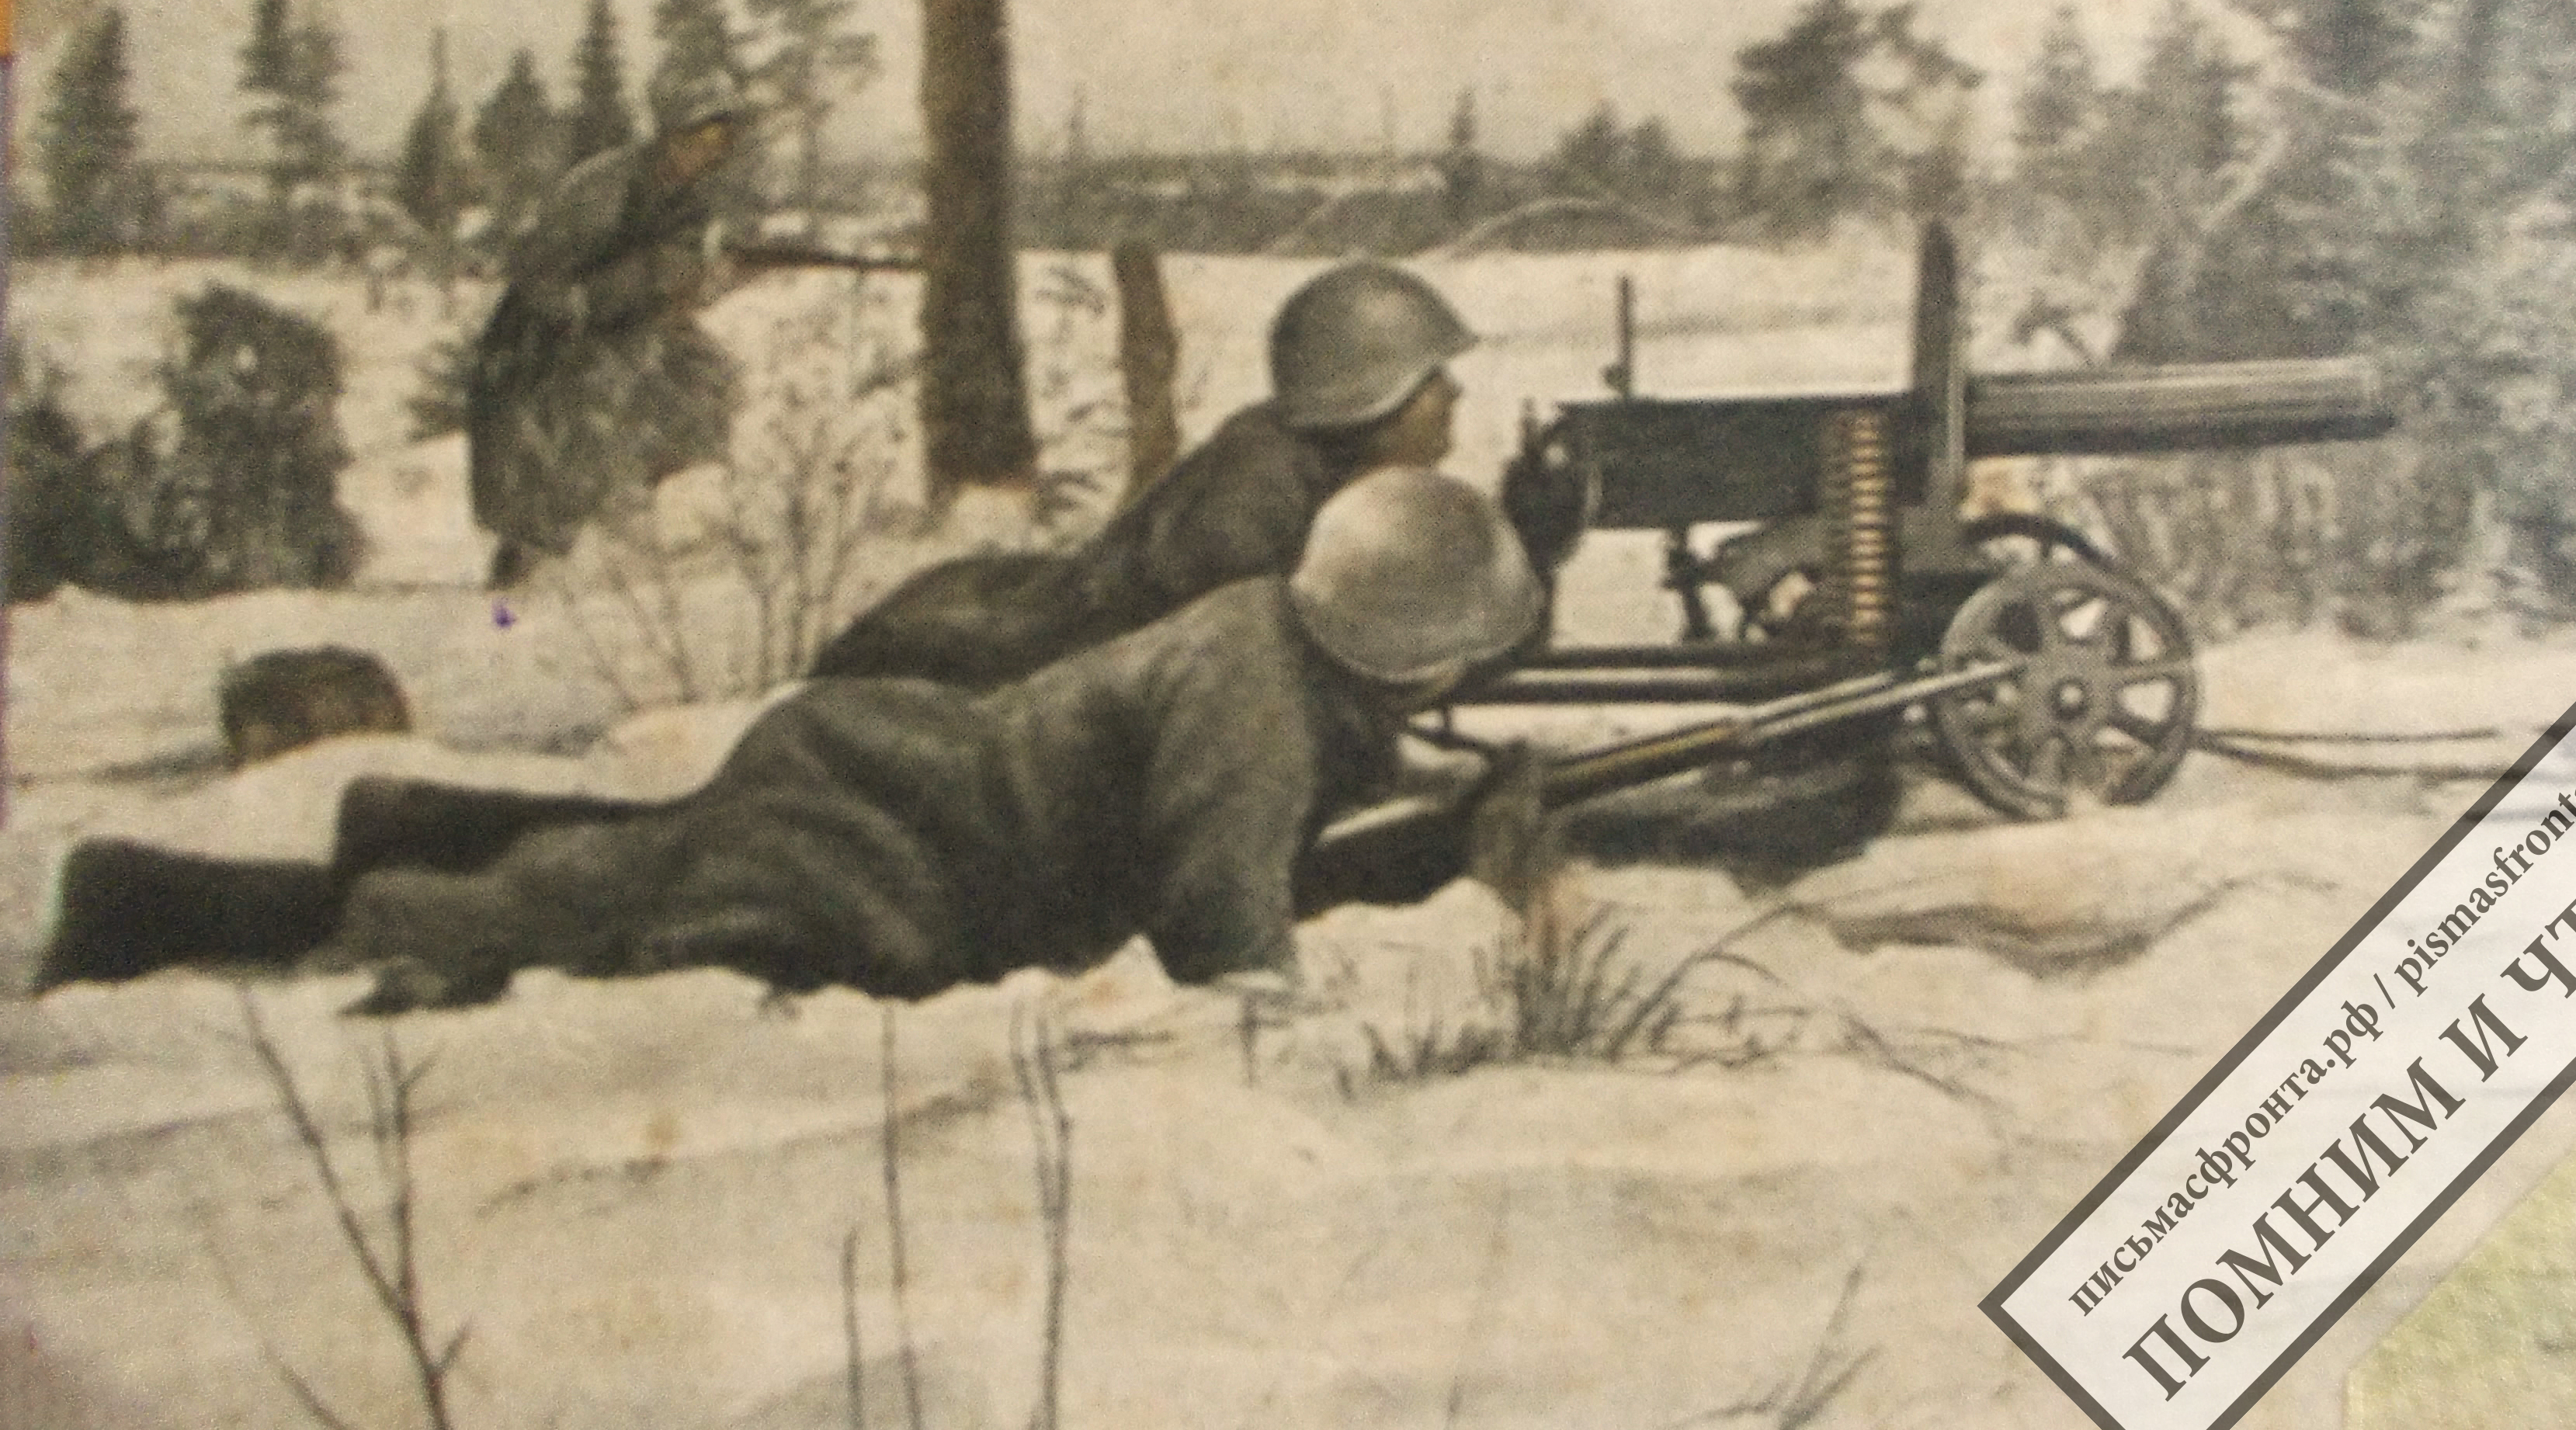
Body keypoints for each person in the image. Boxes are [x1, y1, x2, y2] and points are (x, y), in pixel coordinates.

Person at [36, 471, 1548, 1012]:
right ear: (1402, 641)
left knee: (630, 859)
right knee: (564, 919)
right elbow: (1220, 913)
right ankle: (164, 905)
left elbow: (1277, 788)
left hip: (887, 777)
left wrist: (1436, 802)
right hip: (885, 849)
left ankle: (392, 818)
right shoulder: (1255, 700)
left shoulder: (1268, 634)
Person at [807, 259, 1475, 685]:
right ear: (1370, 395)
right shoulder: (1253, 499)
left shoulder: (1333, 472)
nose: (1453, 393)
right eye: (1430, 377)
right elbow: (1261, 673)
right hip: (971, 667)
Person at [468, 76, 750, 589]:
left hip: (621, 323)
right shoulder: (604, 187)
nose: (712, 152)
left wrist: (693, 285)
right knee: (591, 406)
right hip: (541, 334)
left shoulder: (687, 201)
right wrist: (635, 285)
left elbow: (671, 281)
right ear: (672, 134)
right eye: (703, 136)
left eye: (723, 140)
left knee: (710, 377)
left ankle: (662, 509)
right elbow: (539, 278)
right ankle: (533, 555)